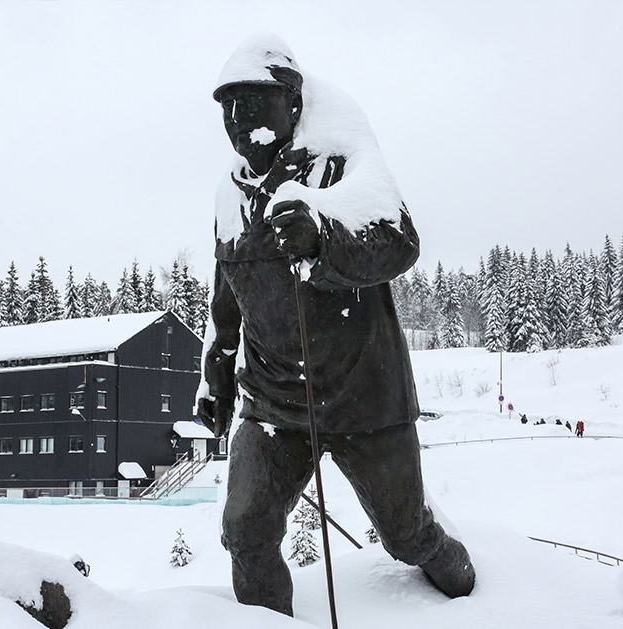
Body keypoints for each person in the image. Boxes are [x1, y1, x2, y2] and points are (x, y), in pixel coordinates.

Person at [196, 33, 475, 617]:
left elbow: (399, 241)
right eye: (229, 106)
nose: (241, 119)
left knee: (404, 536)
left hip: (364, 399)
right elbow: (227, 301)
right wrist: (216, 378)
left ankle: (473, 594)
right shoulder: (229, 191)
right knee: (245, 532)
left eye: (254, 102)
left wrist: (325, 238)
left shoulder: (339, 153)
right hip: (274, 404)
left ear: (292, 104)